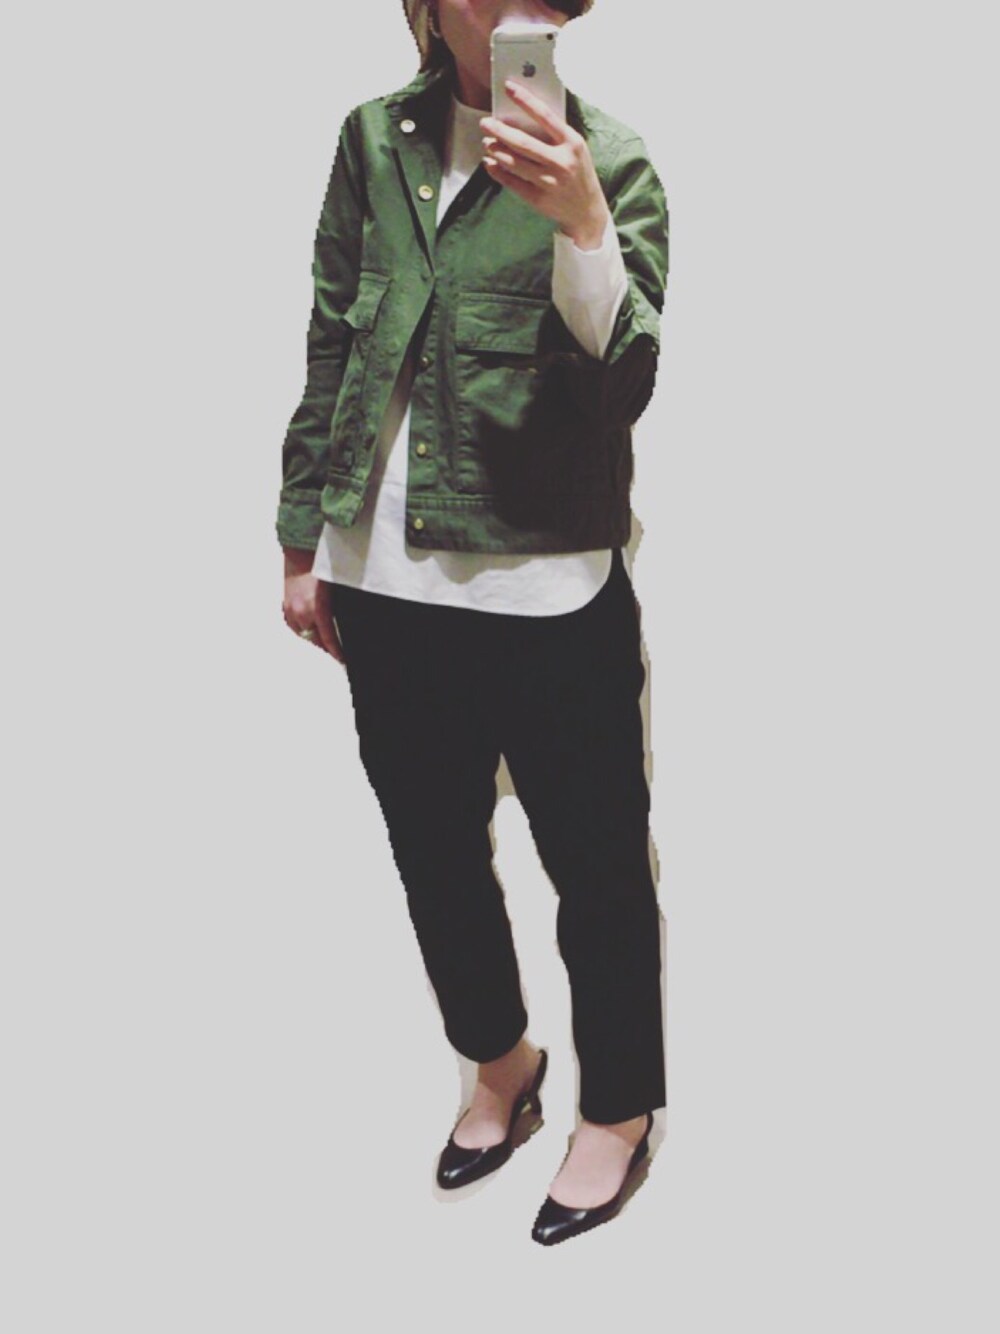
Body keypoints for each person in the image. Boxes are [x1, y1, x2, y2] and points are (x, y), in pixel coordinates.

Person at [277, 0, 669, 1245]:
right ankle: (499, 1062)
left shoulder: (609, 157)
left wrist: (583, 225)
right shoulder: (369, 138)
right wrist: (302, 534)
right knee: (433, 849)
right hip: (382, 577)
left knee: (597, 869)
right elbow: (333, 335)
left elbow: (624, 382)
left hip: (548, 587)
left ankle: (617, 1107)